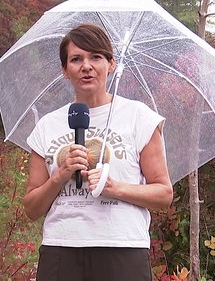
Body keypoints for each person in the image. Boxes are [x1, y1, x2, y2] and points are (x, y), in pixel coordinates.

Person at [23, 23, 173, 281]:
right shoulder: (47, 125)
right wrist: (60, 175)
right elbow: (32, 208)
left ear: (111, 64)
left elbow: (163, 194)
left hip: (122, 248)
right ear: (64, 70)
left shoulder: (138, 118)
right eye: (76, 59)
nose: (86, 66)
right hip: (62, 248)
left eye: (96, 57)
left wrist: (115, 188)